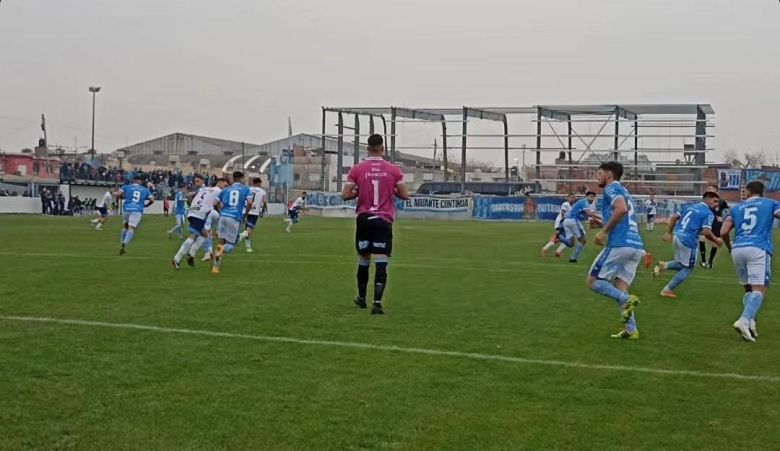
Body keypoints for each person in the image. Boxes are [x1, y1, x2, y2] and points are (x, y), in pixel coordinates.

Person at [341, 134, 410, 315]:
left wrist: (359, 190)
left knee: (364, 258)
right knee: (381, 259)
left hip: (364, 218)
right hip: (383, 219)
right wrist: (391, 188)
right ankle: (377, 303)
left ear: (367, 148)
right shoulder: (393, 170)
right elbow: (404, 194)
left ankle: (362, 298)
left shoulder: (357, 169)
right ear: (383, 148)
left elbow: (346, 194)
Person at [587, 162, 643, 339]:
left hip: (620, 244)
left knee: (593, 281)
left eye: (600, 173)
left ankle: (626, 300)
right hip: (636, 247)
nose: (597, 177)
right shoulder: (625, 192)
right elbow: (623, 215)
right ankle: (631, 330)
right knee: (621, 286)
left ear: (609, 174)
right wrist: (602, 224)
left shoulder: (611, 189)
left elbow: (621, 210)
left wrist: (604, 232)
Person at [721, 181, 780, 342]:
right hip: (758, 248)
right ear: (762, 192)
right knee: (760, 289)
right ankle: (744, 320)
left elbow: (724, 231)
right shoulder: (771, 203)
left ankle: (751, 322)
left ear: (747, 192)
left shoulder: (736, 208)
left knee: (748, 288)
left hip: (738, 248)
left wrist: (729, 246)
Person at [653, 192, 723, 298]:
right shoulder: (708, 213)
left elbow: (673, 217)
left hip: (677, 236)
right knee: (688, 268)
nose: (717, 204)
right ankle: (667, 289)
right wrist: (716, 240)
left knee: (681, 264)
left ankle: (664, 265)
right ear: (707, 199)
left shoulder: (689, 206)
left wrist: (669, 232)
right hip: (688, 240)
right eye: (715, 201)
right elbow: (706, 231)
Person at [171, 176, 227, 269]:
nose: (225, 187)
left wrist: (192, 205)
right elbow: (219, 204)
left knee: (205, 234)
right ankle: (177, 259)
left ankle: (191, 254)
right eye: (225, 185)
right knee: (193, 235)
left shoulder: (205, 188)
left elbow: (189, 195)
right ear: (220, 183)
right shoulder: (219, 191)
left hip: (192, 211)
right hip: (200, 214)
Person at [211, 172, 252, 275]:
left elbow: (215, 203)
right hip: (234, 217)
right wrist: (245, 214)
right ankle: (221, 250)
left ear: (233, 179)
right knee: (230, 246)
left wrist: (220, 211)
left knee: (221, 241)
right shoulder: (246, 189)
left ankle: (216, 268)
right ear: (242, 178)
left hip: (223, 216)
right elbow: (250, 202)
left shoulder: (225, 189)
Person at [114, 176, 154, 255]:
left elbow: (118, 194)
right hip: (137, 210)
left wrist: (118, 200)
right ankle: (125, 243)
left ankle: (122, 243)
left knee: (125, 226)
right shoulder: (145, 189)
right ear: (140, 181)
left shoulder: (126, 187)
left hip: (127, 209)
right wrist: (147, 205)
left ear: (133, 181)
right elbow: (152, 199)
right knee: (131, 228)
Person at [559, 191, 597, 263]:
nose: (592, 199)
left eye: (594, 197)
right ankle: (573, 258)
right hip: (573, 221)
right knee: (583, 240)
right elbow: (588, 213)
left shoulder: (581, 202)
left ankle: (559, 237)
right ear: (587, 196)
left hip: (566, 221)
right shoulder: (585, 202)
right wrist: (600, 218)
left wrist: (593, 218)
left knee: (570, 243)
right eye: (591, 197)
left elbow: (585, 213)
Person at [699, 184, 729, 268]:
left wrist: (723, 218)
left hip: (717, 224)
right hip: (707, 222)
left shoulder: (722, 201)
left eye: (710, 189)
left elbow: (728, 211)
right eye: (708, 188)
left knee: (715, 242)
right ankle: (703, 261)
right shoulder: (706, 200)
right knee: (702, 238)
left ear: (716, 191)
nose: (708, 190)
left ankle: (710, 262)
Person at [239, 178, 268, 253]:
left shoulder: (248, 189)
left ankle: (248, 248)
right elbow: (264, 202)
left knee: (247, 230)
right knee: (248, 231)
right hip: (254, 212)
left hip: (245, 211)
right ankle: (240, 235)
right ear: (259, 183)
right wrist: (263, 211)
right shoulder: (262, 191)